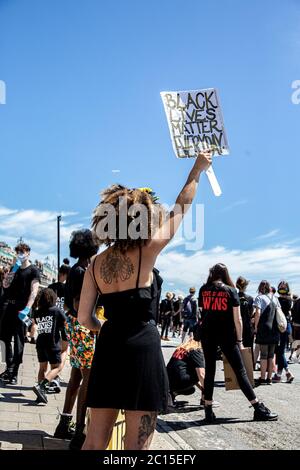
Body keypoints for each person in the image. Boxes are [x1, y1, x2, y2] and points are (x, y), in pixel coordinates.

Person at [78, 151, 213, 450]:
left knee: (95, 440)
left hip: (110, 346)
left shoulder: (95, 265)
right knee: (135, 446)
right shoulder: (147, 251)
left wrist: (105, 328)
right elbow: (181, 207)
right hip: (142, 348)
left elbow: (83, 319)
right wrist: (196, 170)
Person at [199, 264, 278, 423]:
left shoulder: (203, 289)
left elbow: (202, 313)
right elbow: (238, 319)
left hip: (207, 335)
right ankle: (257, 407)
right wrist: (240, 341)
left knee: (210, 371)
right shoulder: (231, 290)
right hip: (227, 335)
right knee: (240, 371)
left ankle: (208, 410)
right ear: (226, 274)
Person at [54, 230, 99, 449]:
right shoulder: (84, 271)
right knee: (87, 379)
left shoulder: (75, 269)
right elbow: (81, 302)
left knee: (75, 376)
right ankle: (79, 432)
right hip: (83, 326)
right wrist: (95, 325)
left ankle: (64, 423)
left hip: (73, 325)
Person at [0, 243, 40, 385]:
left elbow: (34, 291)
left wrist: (27, 309)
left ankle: (14, 371)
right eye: (18, 252)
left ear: (28, 253)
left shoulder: (33, 270)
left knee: (18, 341)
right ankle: (8, 366)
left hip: (22, 309)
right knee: (3, 338)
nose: (20, 254)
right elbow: (5, 285)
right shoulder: (14, 268)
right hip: (9, 307)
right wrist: (13, 269)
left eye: (22, 252)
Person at [32, 288, 66, 403]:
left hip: (40, 344)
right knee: (56, 368)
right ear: (53, 298)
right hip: (53, 344)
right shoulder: (57, 311)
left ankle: (40, 395)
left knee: (42, 368)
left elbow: (36, 324)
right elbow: (64, 326)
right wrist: (66, 339)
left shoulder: (38, 312)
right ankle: (41, 386)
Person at [47, 263, 71, 392]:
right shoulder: (68, 289)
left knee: (54, 350)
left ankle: (54, 374)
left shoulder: (51, 287)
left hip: (52, 322)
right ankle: (55, 374)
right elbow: (69, 306)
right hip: (64, 321)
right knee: (64, 350)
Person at [253, 280, 281, 385]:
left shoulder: (259, 298)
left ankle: (263, 378)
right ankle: (269, 378)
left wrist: (256, 326)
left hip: (264, 330)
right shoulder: (275, 298)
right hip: (275, 330)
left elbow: (258, 313)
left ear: (260, 288)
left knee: (263, 355)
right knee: (271, 354)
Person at [167, 333, 205, 406]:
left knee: (191, 389)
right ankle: (205, 400)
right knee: (202, 371)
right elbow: (201, 375)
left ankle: (172, 393)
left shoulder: (184, 347)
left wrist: (203, 389)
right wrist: (208, 394)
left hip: (168, 381)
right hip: (178, 380)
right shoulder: (196, 350)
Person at [272, 281, 294, 383]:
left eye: (283, 287)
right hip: (286, 327)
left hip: (281, 327)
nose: (281, 289)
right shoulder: (289, 299)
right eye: (280, 287)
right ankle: (279, 375)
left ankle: (288, 372)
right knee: (281, 351)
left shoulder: (280, 300)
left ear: (287, 289)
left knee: (279, 352)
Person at [236, 277, 254, 354]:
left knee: (237, 350)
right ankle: (249, 365)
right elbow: (251, 313)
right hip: (247, 327)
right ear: (245, 286)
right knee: (249, 350)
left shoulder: (234, 297)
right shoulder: (250, 298)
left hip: (236, 327)